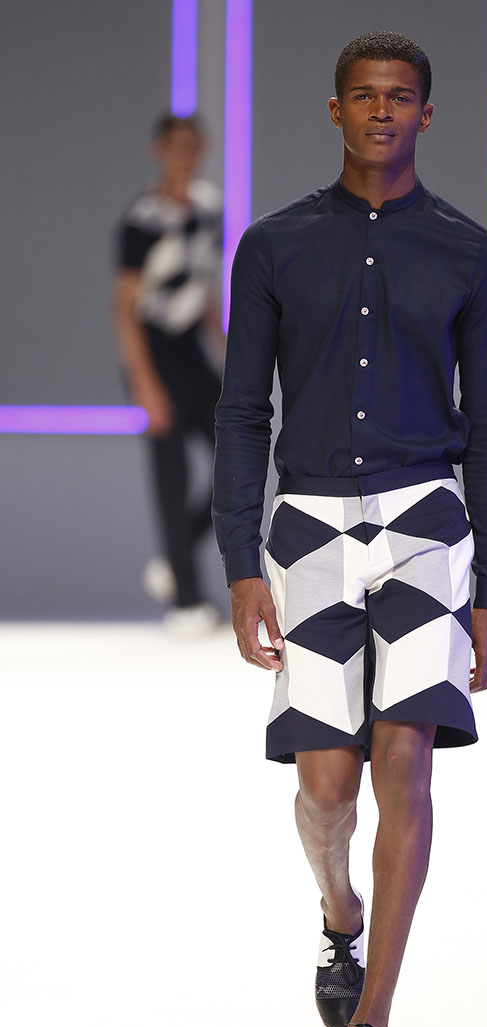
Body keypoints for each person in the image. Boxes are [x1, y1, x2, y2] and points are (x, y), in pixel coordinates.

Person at [213, 30, 487, 1027]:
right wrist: (240, 559)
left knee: (406, 764)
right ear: (334, 110)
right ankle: (338, 907)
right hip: (307, 527)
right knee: (327, 783)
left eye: (399, 96)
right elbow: (242, 410)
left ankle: (374, 1019)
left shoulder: (472, 255)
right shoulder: (273, 246)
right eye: (364, 95)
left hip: (427, 523)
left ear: (426, 114)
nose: (382, 110)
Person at [112, 112, 225, 636]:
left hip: (192, 351)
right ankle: (186, 601)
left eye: (192, 144)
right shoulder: (142, 218)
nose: (184, 154)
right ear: (159, 149)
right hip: (153, 352)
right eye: (175, 144)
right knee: (172, 472)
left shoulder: (208, 208)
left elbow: (206, 290)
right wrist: (143, 381)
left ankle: (175, 558)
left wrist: (233, 354)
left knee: (235, 457)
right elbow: (125, 307)